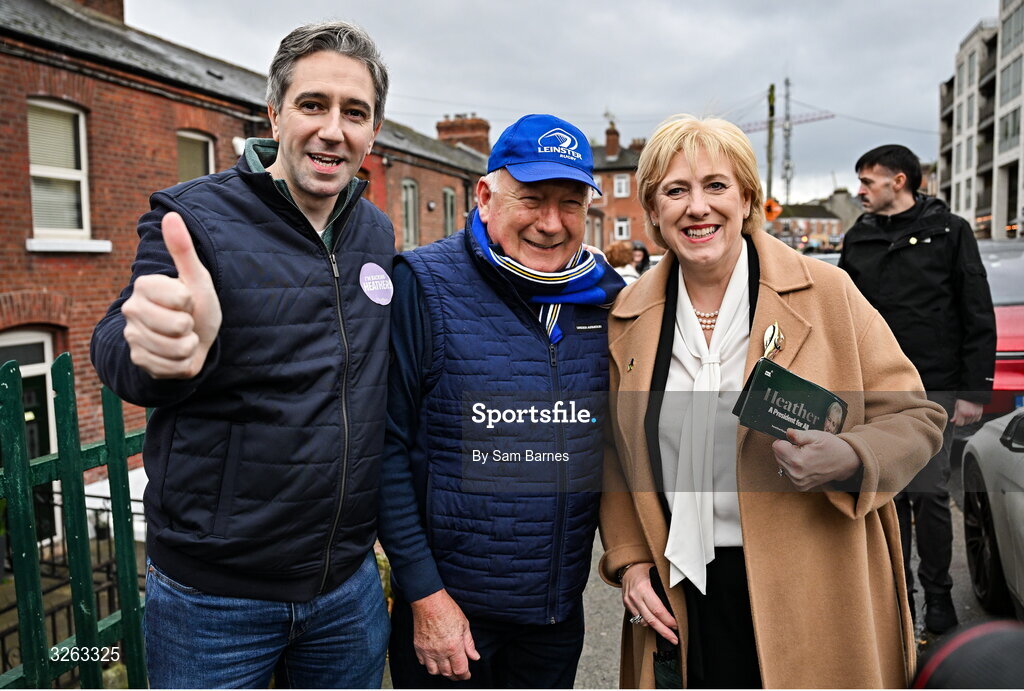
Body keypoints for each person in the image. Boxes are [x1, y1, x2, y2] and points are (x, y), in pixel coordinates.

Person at [90, 21, 394, 688]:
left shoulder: (375, 231)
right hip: (213, 603)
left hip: (346, 588)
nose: (333, 130)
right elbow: (120, 338)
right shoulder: (194, 219)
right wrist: (160, 350)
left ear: (373, 132)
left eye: (355, 113)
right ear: (275, 113)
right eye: (313, 104)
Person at [599, 115, 947, 688]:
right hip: (681, 590)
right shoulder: (627, 318)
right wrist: (632, 560)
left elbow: (917, 416)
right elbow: (615, 452)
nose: (697, 207)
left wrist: (854, 456)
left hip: (816, 584)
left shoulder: (826, 293)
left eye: (716, 186)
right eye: (676, 190)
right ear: (653, 212)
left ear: (746, 198)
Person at [378, 113, 625, 689]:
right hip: (453, 618)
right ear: (486, 196)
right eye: (532, 199)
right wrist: (424, 596)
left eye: (569, 204)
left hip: (555, 612)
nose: (551, 222)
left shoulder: (604, 300)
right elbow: (386, 450)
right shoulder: (423, 283)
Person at [839, 144, 997, 634]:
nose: (860, 190)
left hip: (934, 387)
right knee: (884, 495)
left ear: (900, 181)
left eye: (868, 181)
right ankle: (898, 604)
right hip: (874, 387)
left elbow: (975, 309)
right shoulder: (859, 236)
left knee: (928, 497)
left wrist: (972, 391)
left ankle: (940, 601)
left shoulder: (951, 232)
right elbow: (842, 315)